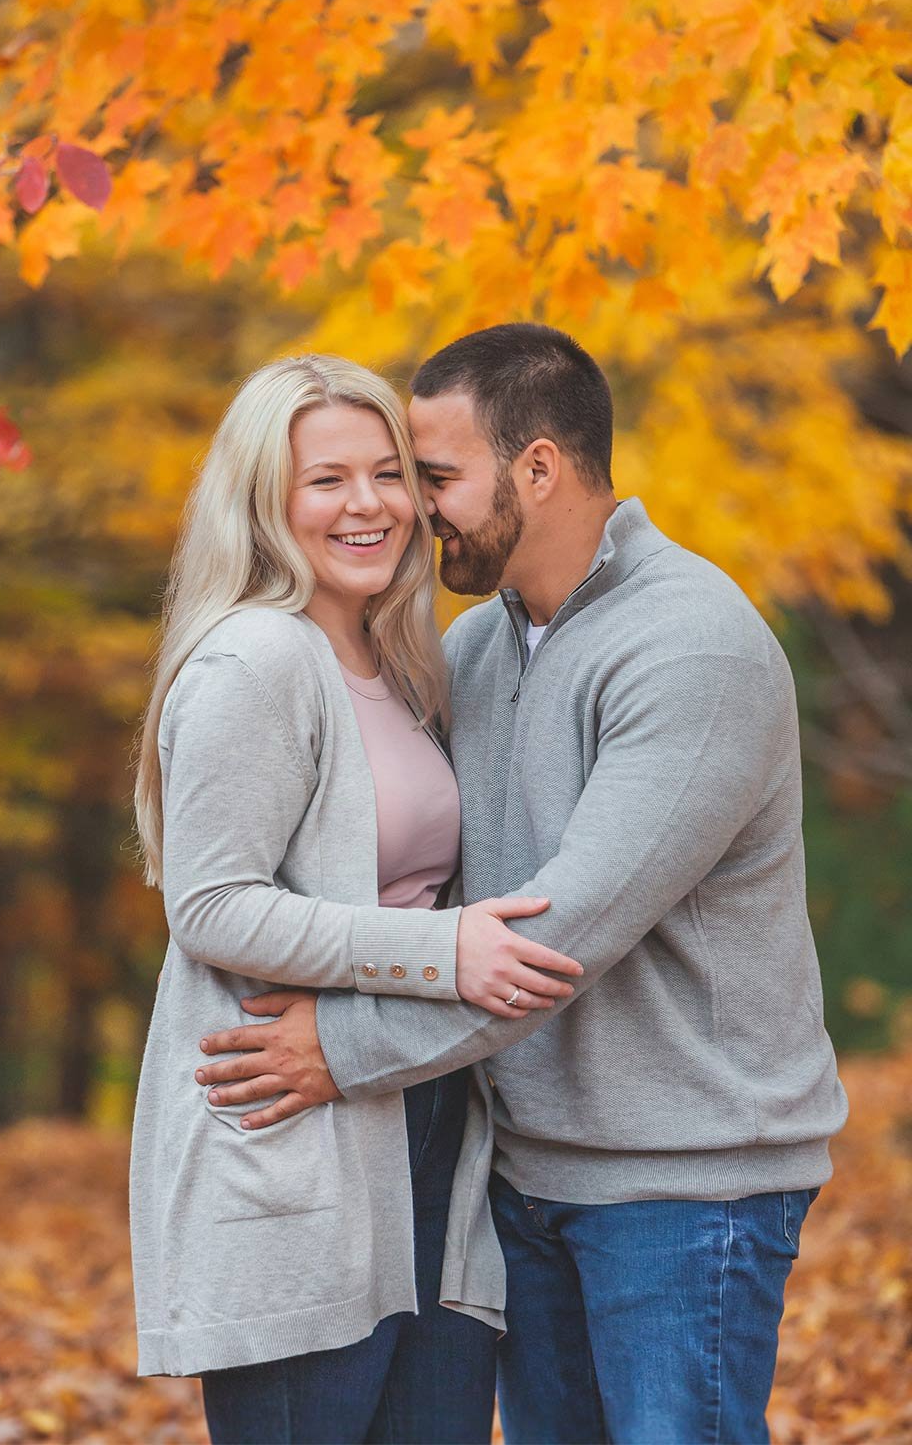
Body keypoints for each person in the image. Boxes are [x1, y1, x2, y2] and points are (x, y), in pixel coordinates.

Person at [192, 324, 848, 1445]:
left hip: (681, 1190)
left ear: (535, 469)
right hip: (522, 1181)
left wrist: (336, 1048)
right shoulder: (479, 652)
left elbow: (550, 941)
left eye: (429, 476)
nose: (410, 508)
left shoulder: (691, 649)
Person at [127, 354, 586, 1445]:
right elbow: (214, 907)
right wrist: (443, 952)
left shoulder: (401, 662)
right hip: (293, 1134)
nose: (369, 504)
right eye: (326, 479)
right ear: (264, 500)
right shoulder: (254, 659)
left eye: (388, 473)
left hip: (423, 1123)